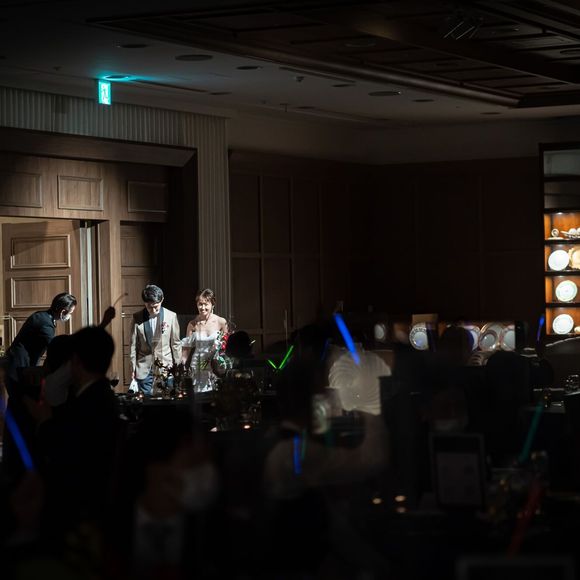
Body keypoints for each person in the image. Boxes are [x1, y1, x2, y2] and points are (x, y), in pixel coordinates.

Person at [130, 285, 181, 397]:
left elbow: (176, 344)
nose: (153, 310)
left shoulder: (171, 316)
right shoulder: (137, 317)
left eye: (156, 307)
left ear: (162, 300)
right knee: (145, 402)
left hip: (166, 367)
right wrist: (133, 368)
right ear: (145, 303)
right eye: (149, 307)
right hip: (144, 368)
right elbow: (133, 346)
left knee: (167, 401)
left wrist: (178, 367)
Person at [182, 289, 228, 393]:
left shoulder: (221, 322)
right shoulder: (192, 324)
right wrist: (183, 368)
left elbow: (226, 346)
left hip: (214, 365)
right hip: (197, 365)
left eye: (206, 304)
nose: (202, 307)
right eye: (200, 304)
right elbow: (186, 351)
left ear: (212, 304)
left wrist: (220, 358)